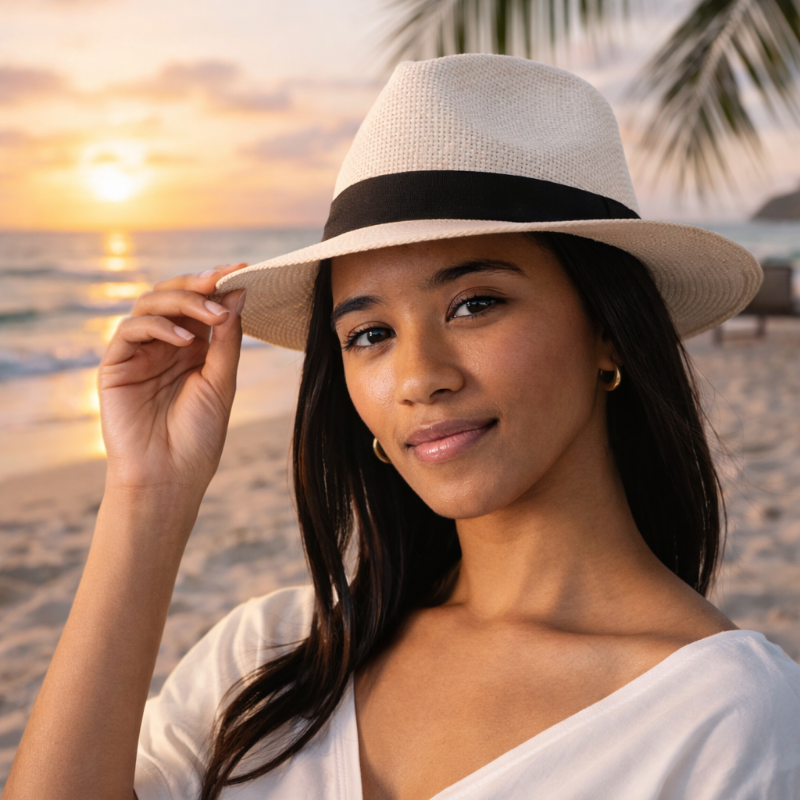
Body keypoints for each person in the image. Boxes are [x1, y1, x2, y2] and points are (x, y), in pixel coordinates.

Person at [6, 54, 800, 800]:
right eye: (370, 335)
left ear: (609, 331)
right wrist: (147, 494)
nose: (420, 377)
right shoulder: (267, 660)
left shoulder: (724, 719)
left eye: (475, 303)